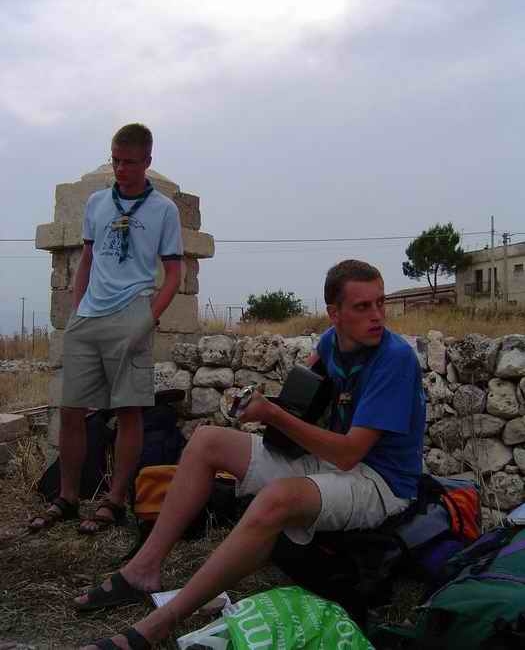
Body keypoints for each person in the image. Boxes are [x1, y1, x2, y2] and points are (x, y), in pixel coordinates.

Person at [77, 259, 426, 650]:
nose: (377, 315)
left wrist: (272, 415)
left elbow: (349, 455)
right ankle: (144, 568)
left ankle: (158, 624)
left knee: (277, 498)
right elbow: (300, 395)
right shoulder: (331, 342)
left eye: (380, 302)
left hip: (379, 480)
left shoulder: (394, 358)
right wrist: (265, 404)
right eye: (362, 306)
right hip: (331, 459)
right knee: (207, 440)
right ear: (335, 314)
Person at [29, 123, 183, 535]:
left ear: (147, 161)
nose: (120, 169)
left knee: (129, 411)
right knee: (71, 409)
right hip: (89, 316)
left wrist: (148, 318)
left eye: (129, 162)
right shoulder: (97, 203)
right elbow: (88, 259)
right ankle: (67, 497)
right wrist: (77, 308)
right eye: (115, 160)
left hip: (132, 311)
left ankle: (114, 501)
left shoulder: (164, 210)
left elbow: (174, 273)